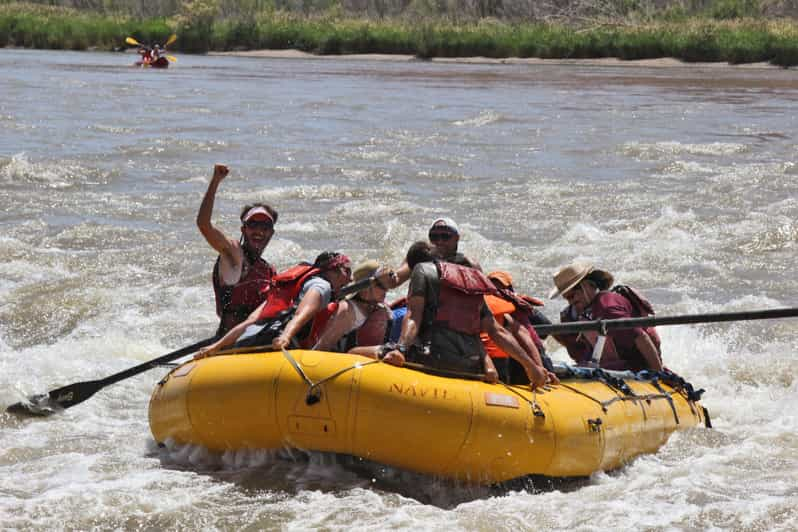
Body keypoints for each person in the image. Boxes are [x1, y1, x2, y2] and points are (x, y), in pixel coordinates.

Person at [381, 242, 547, 388]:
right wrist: (531, 366)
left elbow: (413, 316)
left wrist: (400, 350)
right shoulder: (471, 281)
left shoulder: (422, 270)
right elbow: (497, 331)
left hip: (429, 359)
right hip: (470, 366)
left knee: (366, 351)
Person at [195, 252, 352, 358]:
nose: (350, 280)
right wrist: (286, 336)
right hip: (273, 345)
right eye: (348, 271)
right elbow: (302, 314)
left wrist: (217, 346)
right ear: (335, 270)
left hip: (247, 342)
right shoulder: (322, 286)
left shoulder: (286, 288)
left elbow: (251, 322)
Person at [196, 164, 278, 336]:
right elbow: (204, 225)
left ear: (271, 233)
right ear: (243, 230)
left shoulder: (269, 271)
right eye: (253, 225)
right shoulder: (233, 254)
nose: (259, 231)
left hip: (258, 341)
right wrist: (215, 181)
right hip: (229, 344)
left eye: (265, 226)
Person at [549, 262, 663, 372]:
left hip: (636, 364)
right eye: (567, 298)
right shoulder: (574, 314)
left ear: (588, 286)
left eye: (572, 295)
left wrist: (659, 372)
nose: (571, 301)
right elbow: (572, 344)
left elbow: (641, 338)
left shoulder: (608, 307)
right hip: (607, 364)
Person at [481, 270, 558, 385]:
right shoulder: (486, 305)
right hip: (511, 357)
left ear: (510, 289)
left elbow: (535, 333)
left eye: (501, 287)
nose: (497, 291)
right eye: (493, 286)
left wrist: (538, 367)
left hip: (531, 356)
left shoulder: (520, 306)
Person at [313, 260, 393, 354]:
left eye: (388, 286)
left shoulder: (378, 306)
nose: (386, 290)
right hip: (344, 361)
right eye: (382, 286)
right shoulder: (347, 311)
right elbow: (321, 348)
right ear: (366, 287)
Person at [390, 217, 482, 288]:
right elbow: (395, 280)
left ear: (457, 238)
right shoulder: (420, 258)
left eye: (445, 236)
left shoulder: (468, 263)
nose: (439, 242)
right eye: (434, 237)